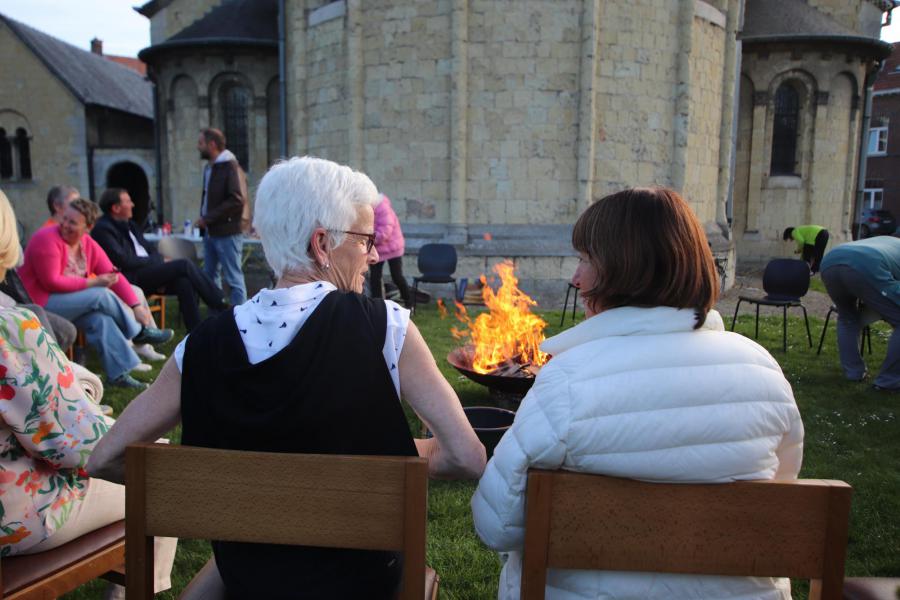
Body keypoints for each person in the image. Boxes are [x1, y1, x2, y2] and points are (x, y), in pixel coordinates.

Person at [88, 156, 486, 598]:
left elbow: (104, 459)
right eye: (366, 240)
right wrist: (385, 455)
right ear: (322, 244)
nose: (374, 254)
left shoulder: (200, 346)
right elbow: (467, 456)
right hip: (359, 584)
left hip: (250, 579)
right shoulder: (384, 329)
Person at [471, 187, 804, 600]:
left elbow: (497, 523)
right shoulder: (762, 371)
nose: (575, 279)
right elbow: (783, 492)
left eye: (585, 260)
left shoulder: (567, 382)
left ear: (625, 270)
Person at [0, 189, 176, 596]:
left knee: (99, 314)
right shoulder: (11, 329)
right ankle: (135, 591)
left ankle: (136, 345)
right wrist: (99, 408)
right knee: (160, 472)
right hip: (13, 513)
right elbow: (78, 445)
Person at [19, 198, 172, 389]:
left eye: (73, 222)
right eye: (65, 219)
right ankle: (139, 332)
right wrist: (93, 282)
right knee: (100, 294)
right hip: (37, 304)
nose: (65, 225)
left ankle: (118, 375)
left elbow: (114, 275)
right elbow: (51, 282)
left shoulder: (88, 244)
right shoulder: (46, 239)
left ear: (88, 227)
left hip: (63, 305)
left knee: (100, 320)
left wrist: (136, 306)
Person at [92, 187, 227, 331]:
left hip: (148, 271)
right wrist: (159, 262)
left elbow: (151, 250)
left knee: (184, 281)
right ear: (116, 208)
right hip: (130, 278)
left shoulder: (130, 225)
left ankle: (196, 332)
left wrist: (158, 262)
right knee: (184, 264)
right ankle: (219, 302)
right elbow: (124, 261)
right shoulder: (103, 230)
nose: (132, 204)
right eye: (128, 201)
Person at [820, 236, 900, 391]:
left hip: (830, 262)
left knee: (847, 318)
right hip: (867, 265)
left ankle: (854, 373)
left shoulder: (889, 241)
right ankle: (889, 382)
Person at [195, 128, 247, 306]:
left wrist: (207, 218)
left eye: (200, 143)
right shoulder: (209, 168)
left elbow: (237, 200)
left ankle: (240, 320)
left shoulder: (229, 166)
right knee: (210, 278)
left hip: (227, 232)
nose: (198, 147)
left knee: (233, 278)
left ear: (212, 145)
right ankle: (217, 316)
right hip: (211, 232)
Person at [369, 193, 412, 307]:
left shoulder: (382, 208)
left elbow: (384, 233)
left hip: (393, 248)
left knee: (397, 277)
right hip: (378, 249)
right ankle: (378, 306)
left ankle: (409, 304)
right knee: (375, 278)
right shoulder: (369, 207)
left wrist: (368, 237)